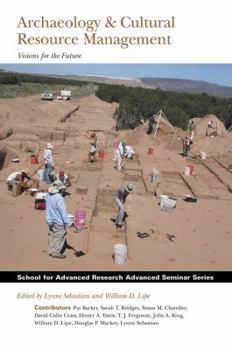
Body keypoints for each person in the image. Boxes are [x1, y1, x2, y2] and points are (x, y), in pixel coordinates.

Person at [45, 182, 73, 259]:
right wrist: (70, 223)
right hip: (58, 221)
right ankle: (56, 252)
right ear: (60, 190)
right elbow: (63, 213)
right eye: (63, 190)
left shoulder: (48, 195)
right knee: (59, 236)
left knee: (52, 234)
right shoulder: (59, 198)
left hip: (49, 220)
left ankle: (51, 250)